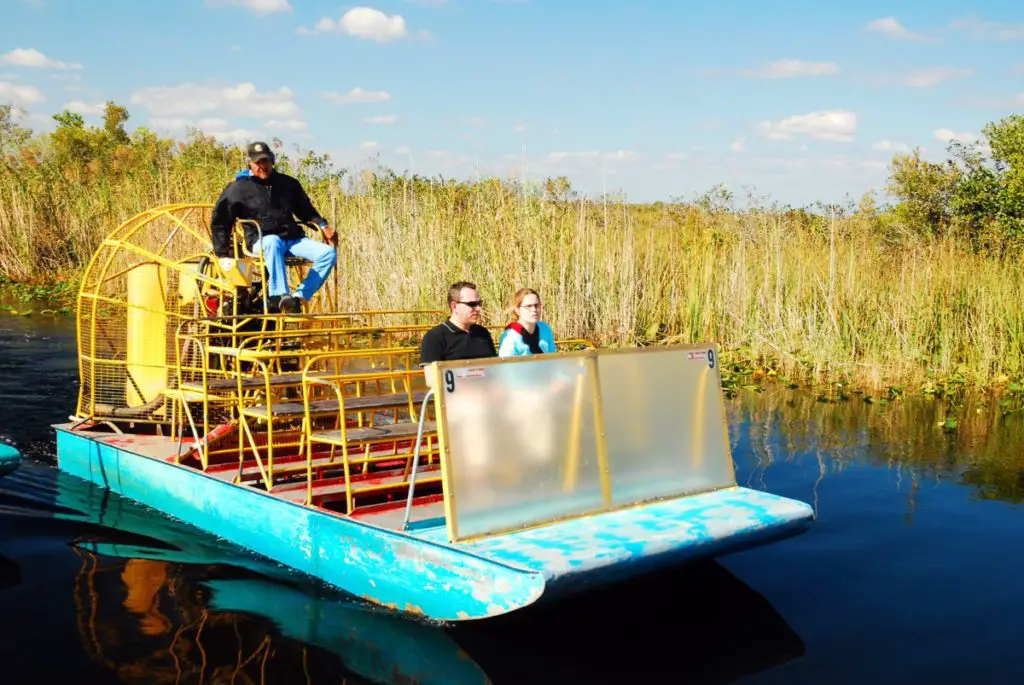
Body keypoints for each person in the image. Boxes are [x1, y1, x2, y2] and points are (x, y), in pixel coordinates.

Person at [210, 141, 338, 313]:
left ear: (273, 161)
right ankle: (278, 295)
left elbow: (306, 210)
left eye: (266, 161)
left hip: (292, 239)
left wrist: (323, 225)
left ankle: (297, 297)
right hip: (260, 242)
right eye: (258, 163)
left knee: (328, 253)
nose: (263, 166)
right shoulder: (237, 189)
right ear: (250, 164)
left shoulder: (288, 184)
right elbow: (221, 221)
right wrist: (222, 254)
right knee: (272, 241)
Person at [419, 281, 497, 363]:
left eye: (479, 303)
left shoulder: (482, 333)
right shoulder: (435, 337)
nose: (478, 309)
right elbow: (432, 374)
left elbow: (494, 367)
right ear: (454, 306)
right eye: (472, 304)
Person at [497, 287, 556, 357]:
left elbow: (553, 358)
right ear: (517, 310)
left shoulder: (545, 329)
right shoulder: (510, 336)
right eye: (528, 306)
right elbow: (507, 366)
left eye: (536, 305)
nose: (534, 309)